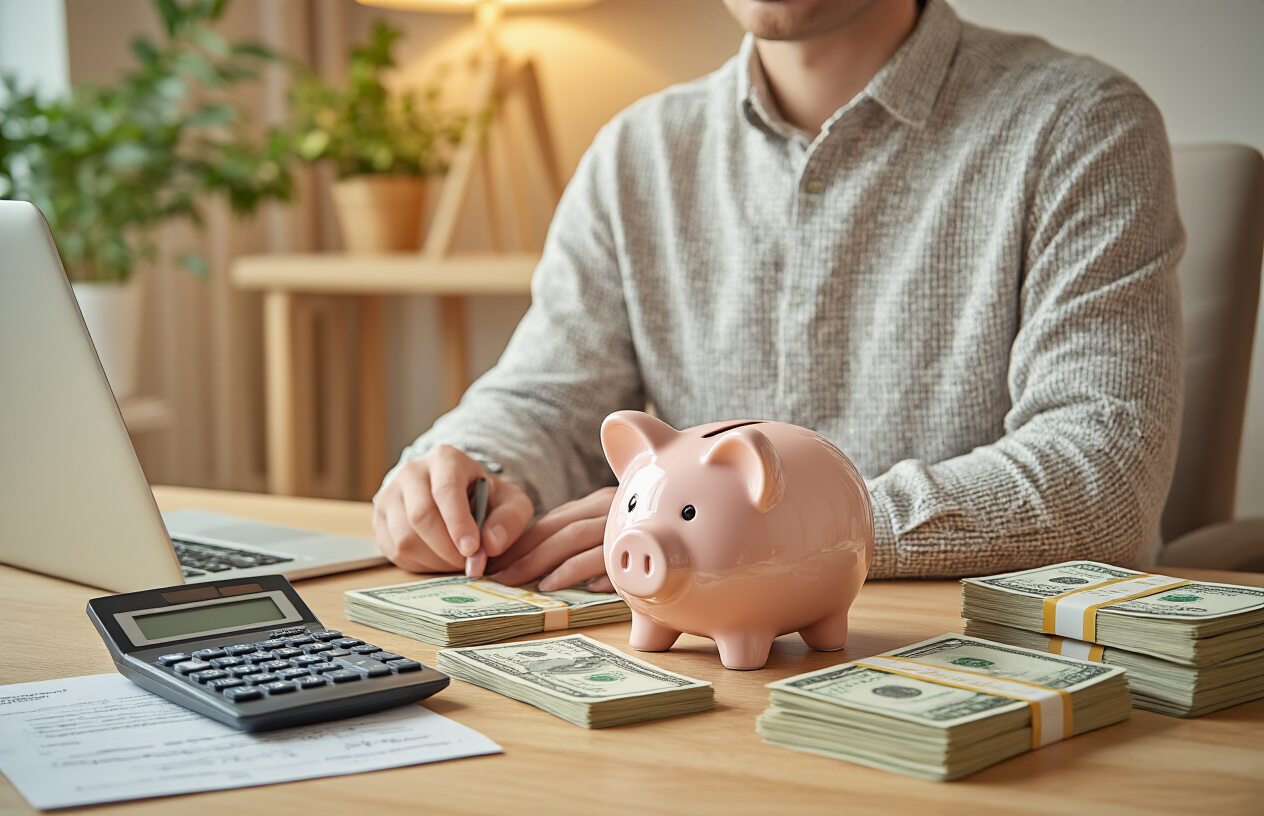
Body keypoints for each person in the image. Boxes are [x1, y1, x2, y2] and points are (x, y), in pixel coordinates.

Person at [372, 0, 1184, 590]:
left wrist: (774, 532)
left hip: (973, 662)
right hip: (683, 665)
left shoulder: (1081, 124)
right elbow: (545, 400)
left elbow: (1103, 475)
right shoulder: (638, 152)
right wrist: (468, 474)